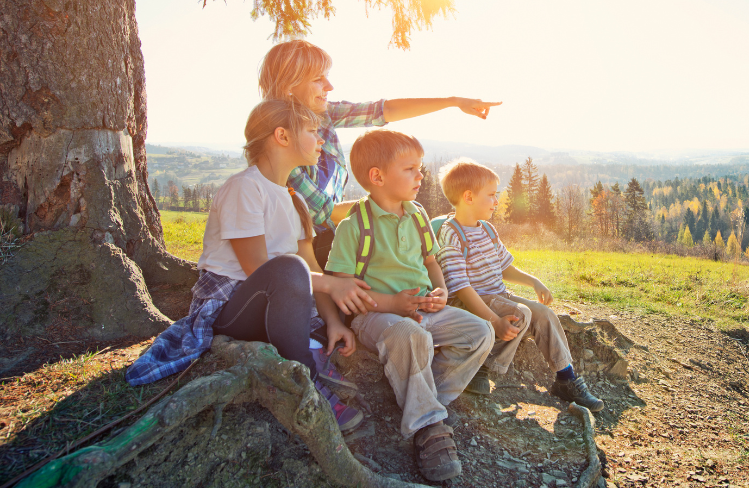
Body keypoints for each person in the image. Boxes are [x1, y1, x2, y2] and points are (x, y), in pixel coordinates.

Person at [126, 99, 375, 432]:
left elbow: (310, 264)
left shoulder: (295, 200)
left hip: (281, 303)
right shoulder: (245, 188)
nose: (322, 141)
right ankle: (305, 383)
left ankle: (315, 345)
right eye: (314, 132)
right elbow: (258, 268)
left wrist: (333, 320)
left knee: (331, 293)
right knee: (289, 270)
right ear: (282, 136)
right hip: (234, 306)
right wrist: (329, 284)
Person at [325, 129, 493, 482]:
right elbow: (334, 288)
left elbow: (431, 262)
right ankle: (430, 429)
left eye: (420, 168)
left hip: (424, 310)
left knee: (480, 332)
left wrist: (441, 291)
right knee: (409, 333)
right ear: (377, 177)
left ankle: (427, 402)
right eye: (411, 169)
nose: (421, 175)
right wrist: (391, 303)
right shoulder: (355, 226)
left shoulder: (417, 215)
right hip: (377, 317)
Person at [257, 39, 500, 267]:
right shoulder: (282, 142)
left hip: (329, 238)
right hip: (301, 252)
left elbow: (381, 111)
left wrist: (453, 101)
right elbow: (320, 214)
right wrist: (391, 202)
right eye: (318, 79)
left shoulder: (323, 115)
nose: (329, 86)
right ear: (290, 87)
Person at [434, 158, 604, 412]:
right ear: (468, 197)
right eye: (491, 195)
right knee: (519, 314)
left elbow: (504, 266)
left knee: (544, 314)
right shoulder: (452, 234)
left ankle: (565, 377)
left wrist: (533, 281)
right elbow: (460, 287)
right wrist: (493, 321)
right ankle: (482, 367)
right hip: (471, 302)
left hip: (499, 296)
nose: (496, 201)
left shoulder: (488, 230)